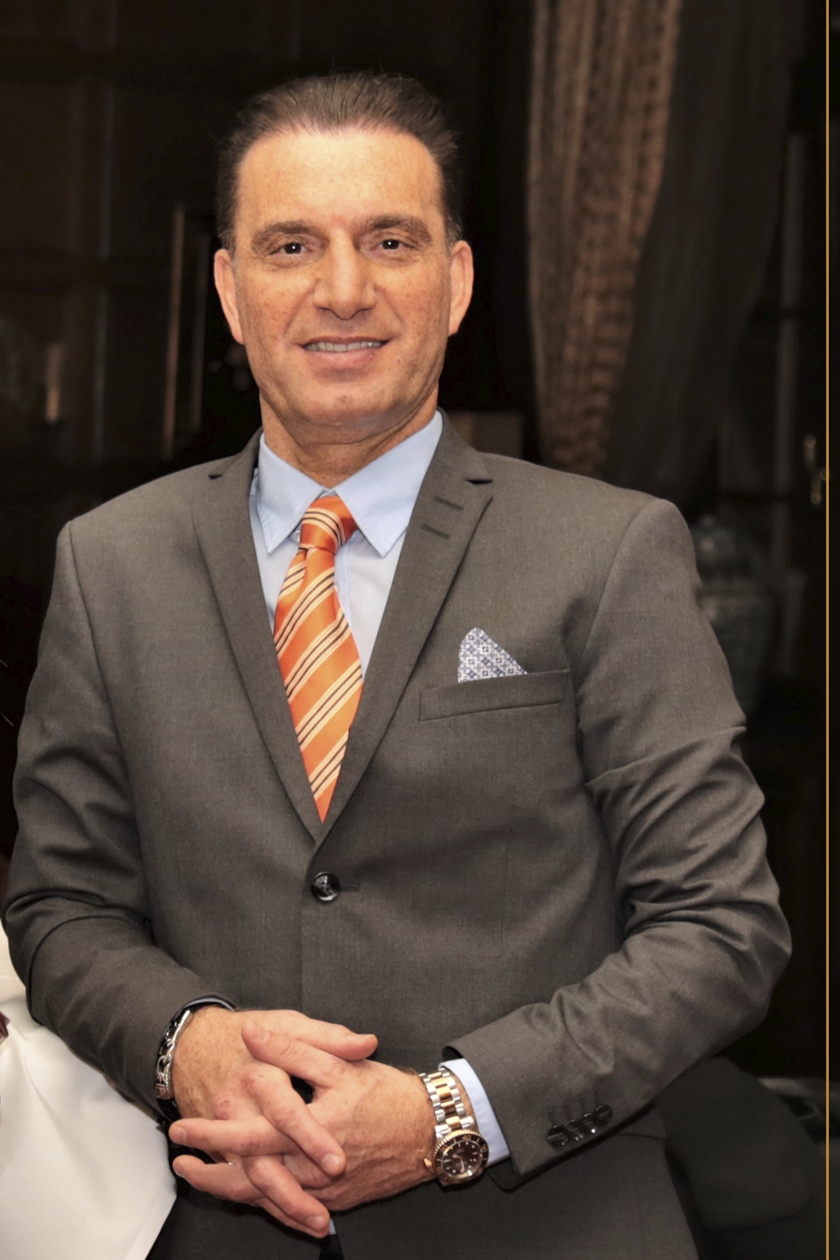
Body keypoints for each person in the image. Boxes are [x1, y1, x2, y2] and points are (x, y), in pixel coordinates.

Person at [2, 73, 790, 1260]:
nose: (342, 290)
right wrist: (187, 1041)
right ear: (229, 290)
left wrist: (448, 1117)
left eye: (390, 241)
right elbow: (62, 907)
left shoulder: (609, 550)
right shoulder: (110, 564)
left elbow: (721, 927)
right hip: (226, 1223)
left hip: (554, 1225)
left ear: (456, 281)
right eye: (290, 246)